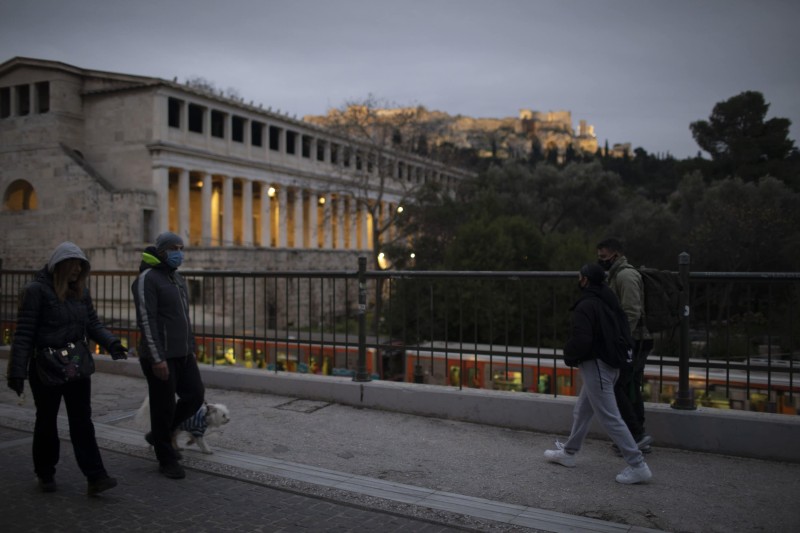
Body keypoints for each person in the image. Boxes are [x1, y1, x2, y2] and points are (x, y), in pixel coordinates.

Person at [6, 242, 128, 495]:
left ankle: (96, 476)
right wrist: (16, 371)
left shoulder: (80, 292)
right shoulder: (36, 291)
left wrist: (112, 342)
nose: (77, 272)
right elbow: (24, 333)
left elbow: (92, 323)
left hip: (75, 365)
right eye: (73, 267)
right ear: (60, 267)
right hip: (46, 366)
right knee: (46, 421)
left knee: (82, 421)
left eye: (81, 268)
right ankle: (45, 473)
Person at [544, 263, 652, 484]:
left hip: (596, 366)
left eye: (579, 277)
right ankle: (569, 453)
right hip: (612, 364)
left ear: (584, 280)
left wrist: (569, 354)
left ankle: (638, 464)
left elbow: (582, 339)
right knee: (582, 410)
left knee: (610, 418)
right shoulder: (609, 301)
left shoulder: (586, 305)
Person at [132, 231, 205, 480]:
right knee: (162, 406)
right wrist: (157, 358)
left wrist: (191, 346)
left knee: (195, 395)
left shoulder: (177, 278)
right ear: (162, 251)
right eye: (175, 248)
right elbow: (146, 320)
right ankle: (165, 458)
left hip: (183, 353)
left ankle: (159, 434)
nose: (179, 253)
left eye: (182, 248)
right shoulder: (147, 279)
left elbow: (184, 317)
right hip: (160, 355)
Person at [596, 237, 653, 452]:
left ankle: (636, 435)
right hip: (633, 340)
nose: (601, 261)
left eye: (603, 257)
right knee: (629, 387)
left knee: (621, 387)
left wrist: (620, 340)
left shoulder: (626, 276)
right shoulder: (616, 275)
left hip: (635, 341)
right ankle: (635, 436)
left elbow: (631, 312)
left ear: (616, 255)